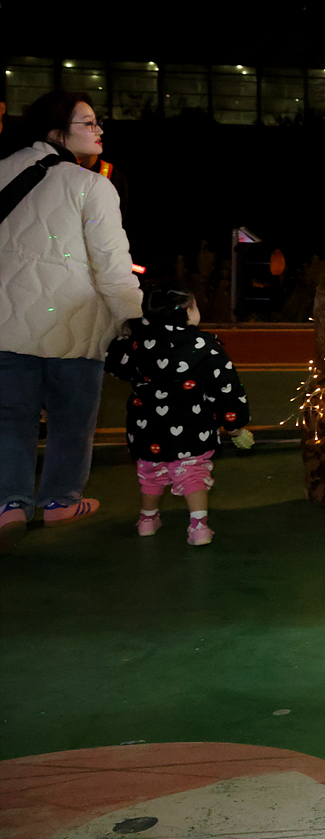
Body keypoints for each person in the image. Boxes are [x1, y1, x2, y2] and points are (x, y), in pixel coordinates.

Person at [0, 91, 144, 547]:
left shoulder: (2, 170)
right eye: (88, 122)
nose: (98, 130)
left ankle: (9, 505)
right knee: (72, 417)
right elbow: (112, 265)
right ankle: (61, 500)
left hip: (5, 323)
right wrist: (134, 321)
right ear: (56, 131)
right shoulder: (92, 185)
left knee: (10, 417)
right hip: (75, 324)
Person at [106, 287, 251, 545]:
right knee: (193, 473)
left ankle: (147, 521)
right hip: (193, 427)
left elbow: (115, 363)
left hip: (146, 427)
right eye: (193, 307)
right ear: (184, 314)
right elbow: (226, 390)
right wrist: (235, 427)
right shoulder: (206, 348)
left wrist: (125, 337)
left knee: (150, 472)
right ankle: (199, 528)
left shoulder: (137, 345)